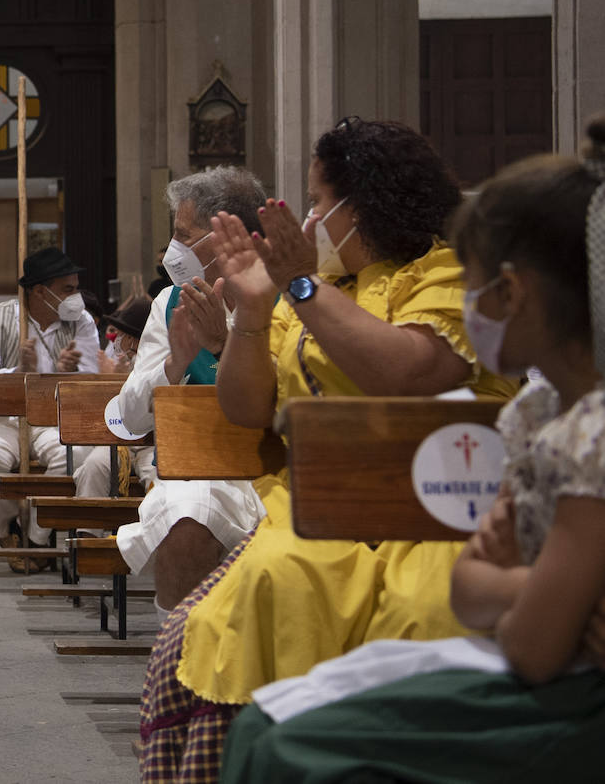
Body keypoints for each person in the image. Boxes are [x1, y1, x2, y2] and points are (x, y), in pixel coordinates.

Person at [136, 118, 520, 783]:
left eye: (319, 202)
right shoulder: (318, 288)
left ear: (364, 202)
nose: (310, 217)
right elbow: (247, 408)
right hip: (306, 510)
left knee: (419, 613)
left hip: (427, 510)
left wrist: (302, 288)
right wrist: (254, 315)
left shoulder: (443, 272)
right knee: (212, 623)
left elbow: (406, 373)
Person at [220, 122, 605, 782]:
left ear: (512, 293)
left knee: (294, 747)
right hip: (532, 649)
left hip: (567, 695)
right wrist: (529, 590)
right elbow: (480, 587)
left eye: (477, 282)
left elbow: (532, 644)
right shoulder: (535, 415)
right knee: (263, 722)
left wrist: (518, 592)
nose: (309, 216)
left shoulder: (589, 438)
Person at [112, 167, 270, 610]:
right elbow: (129, 416)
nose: (174, 249)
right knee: (189, 510)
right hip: (199, 467)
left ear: (226, 235)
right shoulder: (170, 303)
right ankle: (177, 657)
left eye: (184, 234)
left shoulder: (289, 297)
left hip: (276, 468)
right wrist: (174, 363)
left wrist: (225, 344)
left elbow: (286, 396)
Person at [0, 246, 100, 571]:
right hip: (0, 417)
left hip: (54, 419)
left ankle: (36, 537)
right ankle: (7, 523)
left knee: (78, 457)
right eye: (68, 289)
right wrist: (17, 374)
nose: (75, 296)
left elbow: (93, 379)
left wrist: (69, 374)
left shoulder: (81, 322)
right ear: (41, 291)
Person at [70, 297, 159, 518]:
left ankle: (156, 538)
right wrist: (110, 380)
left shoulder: (160, 362)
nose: (116, 340)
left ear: (135, 339)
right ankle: (86, 536)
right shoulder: (115, 361)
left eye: (123, 335)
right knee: (93, 467)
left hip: (152, 443)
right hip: (117, 442)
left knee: (159, 477)